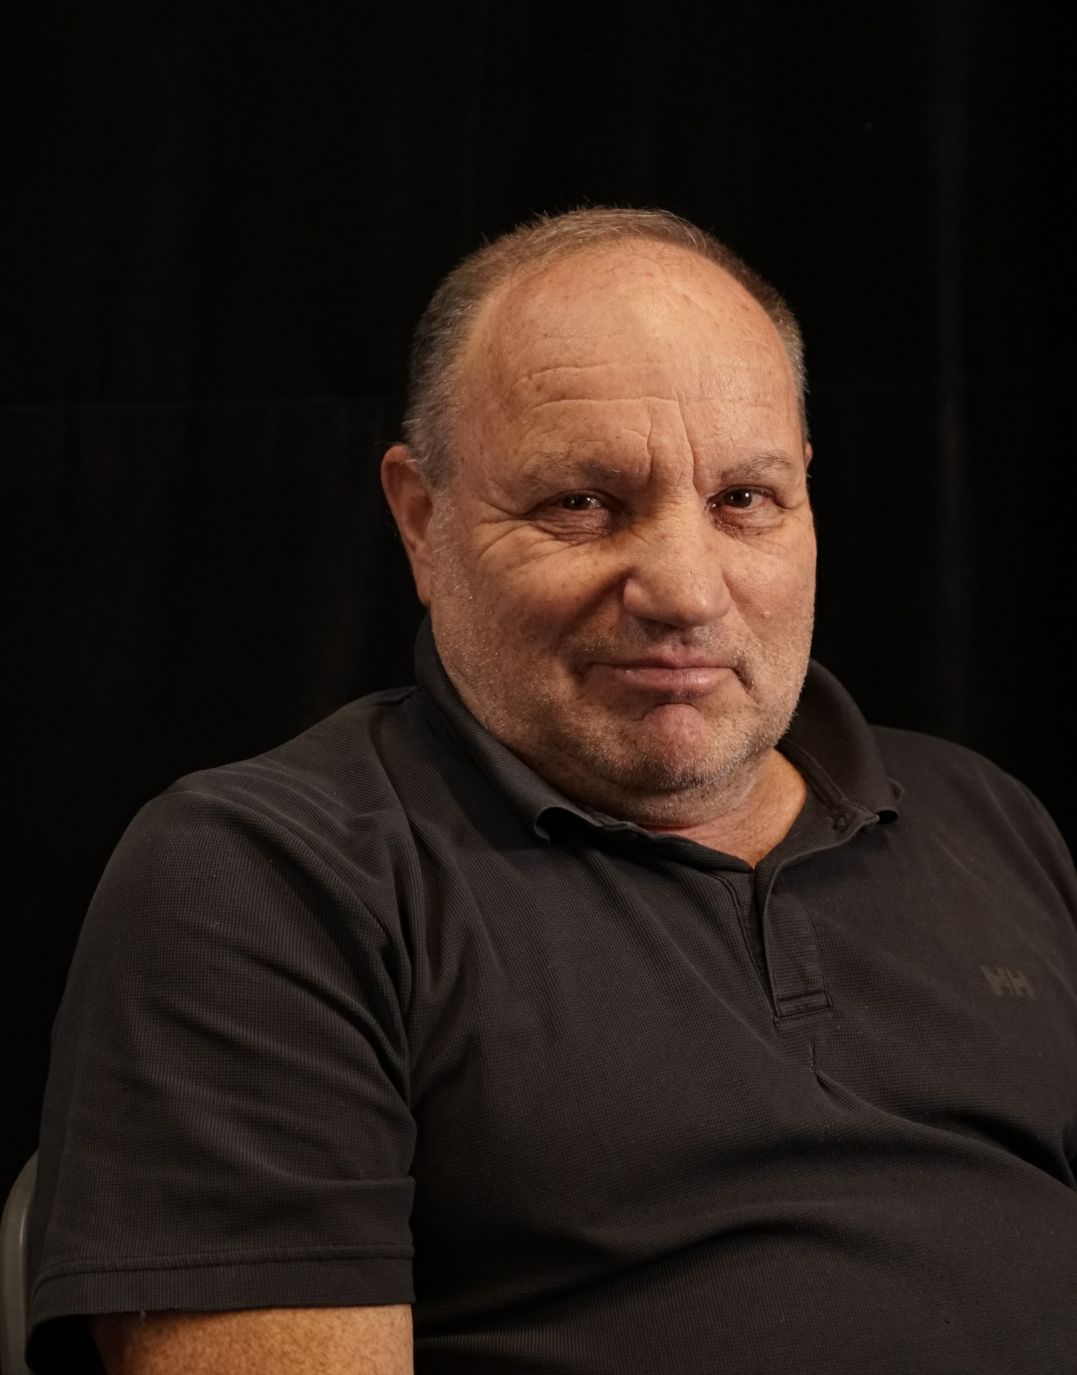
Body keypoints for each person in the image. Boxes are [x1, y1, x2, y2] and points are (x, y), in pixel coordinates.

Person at [26, 208, 1077, 1374]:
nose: (685, 588)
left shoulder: (988, 820)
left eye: (743, 499)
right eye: (583, 503)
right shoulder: (268, 878)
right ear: (423, 521)